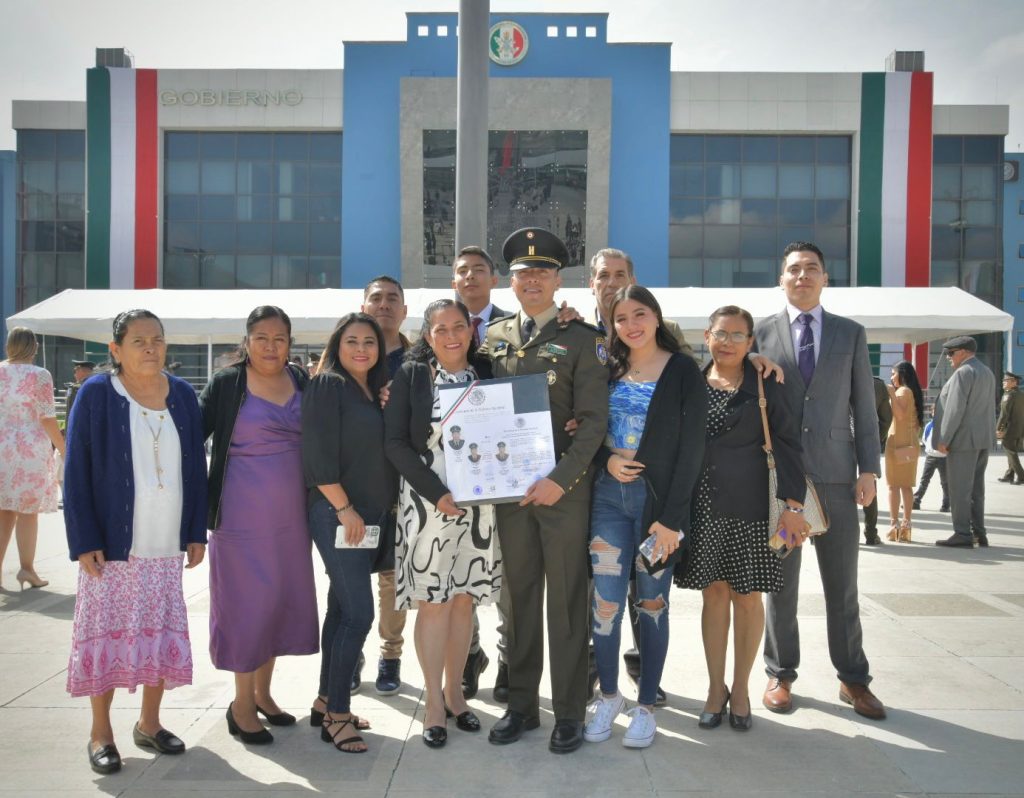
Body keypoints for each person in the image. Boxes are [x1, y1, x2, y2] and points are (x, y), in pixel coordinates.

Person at [63, 310, 207, 775]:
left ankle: (149, 722)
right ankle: (100, 733)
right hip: (113, 546)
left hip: (166, 543)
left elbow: (194, 469)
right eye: (139, 340)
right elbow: (76, 469)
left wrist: (194, 531)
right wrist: (83, 538)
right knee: (105, 636)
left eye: (158, 340)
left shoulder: (183, 395)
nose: (151, 348)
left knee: (157, 634)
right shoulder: (97, 394)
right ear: (116, 349)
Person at [482, 227, 609, 755]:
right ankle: (521, 706)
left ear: (559, 280)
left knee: (566, 601)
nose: (531, 280)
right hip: (510, 493)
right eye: (521, 273)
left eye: (542, 271)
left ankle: (570, 712)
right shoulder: (494, 338)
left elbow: (593, 421)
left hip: (563, 491)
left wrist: (560, 482)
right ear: (509, 281)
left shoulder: (583, 340)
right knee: (519, 599)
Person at [754, 241, 885, 721]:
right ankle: (780, 673)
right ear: (781, 278)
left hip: (836, 475)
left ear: (825, 278)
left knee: (841, 586)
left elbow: (864, 408)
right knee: (780, 585)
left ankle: (853, 678)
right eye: (794, 269)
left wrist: (869, 469)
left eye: (812, 269)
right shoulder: (760, 333)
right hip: (781, 480)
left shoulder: (850, 333)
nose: (803, 276)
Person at [584, 286, 706, 748]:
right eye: (620, 319)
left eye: (639, 314)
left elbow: (693, 447)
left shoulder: (682, 371)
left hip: (659, 509)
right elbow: (585, 427)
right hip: (609, 500)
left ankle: (646, 705)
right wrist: (605, 460)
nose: (631, 325)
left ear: (656, 317)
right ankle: (611, 696)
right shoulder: (607, 369)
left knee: (652, 605)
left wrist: (673, 519)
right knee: (607, 606)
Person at [677, 305, 806, 733]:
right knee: (713, 595)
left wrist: (793, 503)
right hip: (704, 505)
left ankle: (743, 688)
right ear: (706, 337)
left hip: (754, 507)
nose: (728, 342)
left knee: (748, 597)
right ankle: (716, 689)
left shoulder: (767, 384)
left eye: (738, 335)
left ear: (752, 343)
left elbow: (788, 444)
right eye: (721, 333)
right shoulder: (690, 383)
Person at [384, 298, 501, 748]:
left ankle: (457, 695)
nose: (452, 336)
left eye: (459, 327)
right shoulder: (413, 377)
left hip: (479, 508)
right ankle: (433, 701)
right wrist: (437, 494)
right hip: (428, 505)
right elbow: (395, 443)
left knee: (464, 603)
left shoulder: (486, 373)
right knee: (433, 603)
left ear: (472, 331)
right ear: (428, 335)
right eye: (441, 329)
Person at [199, 306, 319, 745]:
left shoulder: (302, 381)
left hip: (291, 519)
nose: (271, 346)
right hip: (239, 518)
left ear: (291, 342)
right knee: (245, 607)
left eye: (280, 338)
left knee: (277, 603)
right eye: (262, 337)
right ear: (246, 341)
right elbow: (193, 437)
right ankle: (241, 704)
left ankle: (265, 694)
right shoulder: (227, 383)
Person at [302, 313, 397, 753]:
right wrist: (343, 508)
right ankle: (338, 716)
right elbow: (318, 453)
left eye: (369, 342)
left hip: (368, 515)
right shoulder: (327, 384)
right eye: (352, 341)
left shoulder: (369, 391)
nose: (361, 349)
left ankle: (326, 700)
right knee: (360, 614)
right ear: (337, 345)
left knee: (341, 609)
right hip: (339, 513)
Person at [451, 245, 507, 698]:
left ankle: (508, 660)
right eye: (462, 271)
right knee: (460, 573)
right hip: (456, 479)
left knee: (508, 574)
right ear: (454, 281)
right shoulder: (437, 329)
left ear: (494, 278)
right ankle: (469, 655)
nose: (471, 277)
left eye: (479, 270)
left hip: (508, 473)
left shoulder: (514, 328)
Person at [361, 276, 410, 695]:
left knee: (394, 579)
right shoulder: (345, 360)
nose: (384, 305)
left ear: (404, 311)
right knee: (351, 575)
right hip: (353, 489)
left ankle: (389, 655)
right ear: (364, 308)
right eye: (376, 298)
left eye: (393, 299)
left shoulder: (418, 361)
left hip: (403, 489)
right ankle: (352, 646)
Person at [0, 327, 65, 591]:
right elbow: (47, 417)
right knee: (28, 513)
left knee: (3, 510)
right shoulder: (39, 375)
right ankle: (27, 569)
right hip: (29, 450)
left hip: (2, 446)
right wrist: (63, 447)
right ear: (34, 347)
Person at [932, 336, 997, 548]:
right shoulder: (987, 372)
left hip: (963, 440)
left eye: (952, 353)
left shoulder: (963, 373)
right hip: (982, 439)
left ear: (963, 352)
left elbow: (955, 409)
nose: (949, 358)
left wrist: (944, 438)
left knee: (959, 489)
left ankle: (962, 533)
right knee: (977, 489)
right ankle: (979, 532)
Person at [884, 361, 924, 543]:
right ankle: (906, 526)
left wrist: (891, 393)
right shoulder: (912, 392)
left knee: (893, 486)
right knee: (906, 486)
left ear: (902, 374)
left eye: (893, 374)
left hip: (897, 443)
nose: (891, 378)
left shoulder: (902, 391)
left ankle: (894, 525)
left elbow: (899, 415)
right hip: (908, 445)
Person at [862, 377, 892, 545]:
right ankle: (871, 534)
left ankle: (821, 533)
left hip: (836, 445)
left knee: (832, 490)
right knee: (869, 489)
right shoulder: (878, 385)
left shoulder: (832, 377)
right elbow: (886, 419)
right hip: (866, 444)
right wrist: (875, 440)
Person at [913, 421, 950, 512]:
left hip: (944, 458)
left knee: (945, 483)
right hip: (930, 457)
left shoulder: (947, 425)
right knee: (924, 480)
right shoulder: (929, 425)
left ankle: (946, 505)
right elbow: (924, 439)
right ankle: (916, 501)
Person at [996, 371, 1024, 484]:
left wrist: (998, 429)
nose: (1003, 382)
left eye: (1006, 380)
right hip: (1020, 429)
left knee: (1011, 452)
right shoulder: (1021, 394)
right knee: (1011, 452)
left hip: (1010, 429)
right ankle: (1009, 475)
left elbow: (1004, 414)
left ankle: (1021, 476)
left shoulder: (1008, 395)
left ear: (1013, 382)